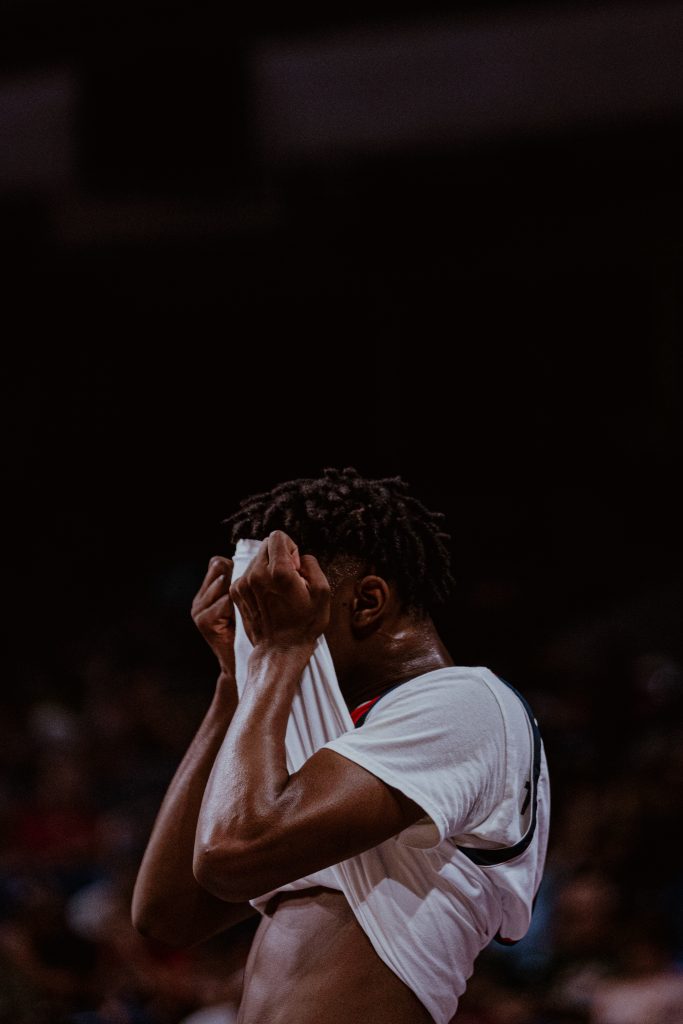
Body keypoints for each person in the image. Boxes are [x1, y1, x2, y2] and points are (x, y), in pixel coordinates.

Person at [131, 467, 550, 1024]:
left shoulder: (466, 703)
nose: (265, 627)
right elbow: (168, 916)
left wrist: (278, 651)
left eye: (276, 606)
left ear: (366, 601)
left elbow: (230, 853)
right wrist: (235, 682)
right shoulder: (341, 742)